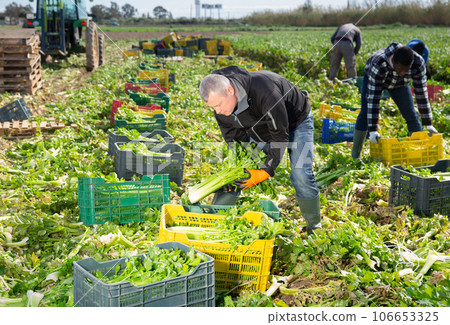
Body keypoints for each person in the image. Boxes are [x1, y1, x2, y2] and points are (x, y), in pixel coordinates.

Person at [199, 66, 321, 235]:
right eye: (213, 108)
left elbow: (279, 135)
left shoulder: (265, 90)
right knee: (239, 169)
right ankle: (216, 220)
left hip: (296, 122)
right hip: (262, 127)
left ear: (229, 90)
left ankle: (314, 228)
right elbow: (235, 141)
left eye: (219, 105)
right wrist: (239, 167)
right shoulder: (221, 109)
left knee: (301, 174)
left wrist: (264, 171)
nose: (218, 111)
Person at [352, 43, 438, 159]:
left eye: (406, 70)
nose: (403, 73)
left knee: (411, 114)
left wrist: (428, 122)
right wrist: (372, 130)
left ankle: (417, 154)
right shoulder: (379, 64)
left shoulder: (418, 64)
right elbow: (373, 99)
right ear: (394, 61)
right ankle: (356, 157)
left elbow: (421, 93)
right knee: (365, 112)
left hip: (399, 84)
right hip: (374, 78)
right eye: (400, 69)